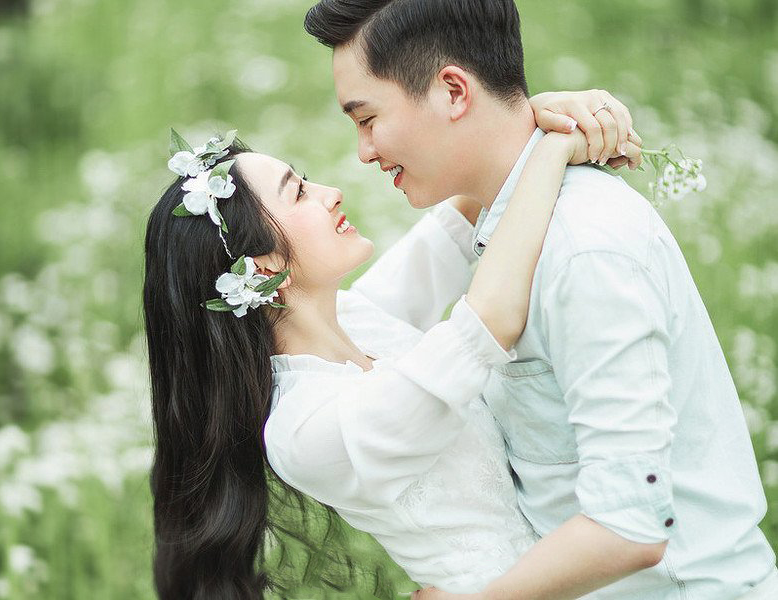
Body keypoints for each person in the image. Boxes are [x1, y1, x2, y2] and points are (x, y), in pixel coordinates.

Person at [302, 1, 778, 599]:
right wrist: (543, 131)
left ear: (453, 91)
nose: (364, 151)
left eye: (368, 119)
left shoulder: (583, 249)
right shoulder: (510, 225)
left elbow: (631, 523)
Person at [143, 92, 640, 598]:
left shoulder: (357, 318)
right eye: (299, 193)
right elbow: (492, 318)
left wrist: (535, 113)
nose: (331, 192)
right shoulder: (305, 428)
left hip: (578, 570)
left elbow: (461, 216)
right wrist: (554, 149)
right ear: (264, 267)